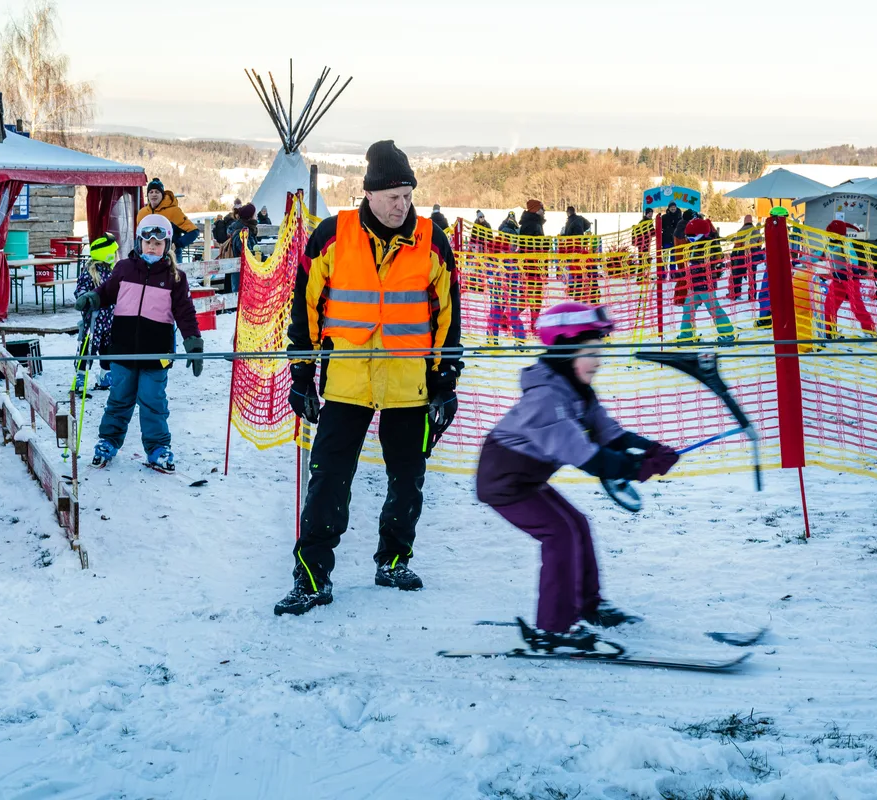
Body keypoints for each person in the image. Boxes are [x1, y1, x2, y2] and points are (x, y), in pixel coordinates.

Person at [278, 139, 463, 616]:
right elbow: (306, 308)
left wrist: (446, 382)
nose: (403, 205)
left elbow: (447, 316)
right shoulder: (333, 235)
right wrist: (301, 373)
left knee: (408, 480)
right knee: (329, 481)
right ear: (371, 195)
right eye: (394, 197)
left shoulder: (431, 239)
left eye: (408, 195)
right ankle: (312, 578)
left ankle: (394, 560)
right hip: (346, 382)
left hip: (409, 384)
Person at [475, 302, 679, 651]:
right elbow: (584, 454)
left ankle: (589, 605)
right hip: (503, 481)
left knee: (577, 524)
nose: (599, 361)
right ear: (566, 350)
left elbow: (608, 433)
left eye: (600, 351)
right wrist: (634, 468)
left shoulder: (575, 390)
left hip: (527, 479)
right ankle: (554, 629)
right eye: (592, 352)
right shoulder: (546, 397)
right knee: (559, 534)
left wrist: (651, 450)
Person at [75, 215, 204, 472]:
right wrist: (92, 298)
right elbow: (107, 292)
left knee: (152, 400)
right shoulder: (124, 269)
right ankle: (108, 442)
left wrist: (193, 342)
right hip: (122, 349)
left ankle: (157, 448)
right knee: (119, 398)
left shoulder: (174, 277)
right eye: (147, 242)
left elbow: (185, 312)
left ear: (167, 245)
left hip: (157, 353)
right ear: (138, 242)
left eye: (158, 243)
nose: (152, 247)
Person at [675, 218, 735, 343]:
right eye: (688, 237)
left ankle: (727, 334)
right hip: (694, 284)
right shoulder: (694, 245)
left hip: (706, 284)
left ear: (702, 234)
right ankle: (687, 336)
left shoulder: (710, 245)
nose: (690, 240)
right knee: (688, 310)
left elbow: (712, 261)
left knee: (714, 309)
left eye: (692, 237)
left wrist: (695, 269)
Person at [74, 234, 120, 393]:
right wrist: (86, 300)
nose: (115, 256)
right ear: (106, 254)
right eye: (113, 253)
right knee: (88, 349)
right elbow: (79, 293)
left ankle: (105, 376)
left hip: (109, 320)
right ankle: (80, 378)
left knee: (107, 349)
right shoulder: (89, 273)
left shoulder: (113, 272)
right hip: (93, 321)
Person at [822, 214, 876, 339]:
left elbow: (854, 259)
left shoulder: (846, 245)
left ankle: (870, 331)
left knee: (856, 307)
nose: (828, 236)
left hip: (850, 280)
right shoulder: (829, 244)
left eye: (830, 234)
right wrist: (797, 261)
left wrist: (850, 266)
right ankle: (829, 331)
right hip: (837, 280)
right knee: (829, 305)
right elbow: (819, 255)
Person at [136, 178, 200, 262]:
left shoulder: (174, 211)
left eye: (157, 192)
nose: (154, 195)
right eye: (151, 192)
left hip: (170, 257)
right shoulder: (142, 213)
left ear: (162, 194)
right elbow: (138, 236)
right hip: (147, 256)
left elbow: (194, 232)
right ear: (147, 195)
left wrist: (177, 244)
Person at [518, 200, 549, 327]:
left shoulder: (533, 223)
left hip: (534, 265)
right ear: (536, 210)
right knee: (532, 294)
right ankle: (509, 315)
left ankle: (533, 322)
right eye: (542, 209)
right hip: (531, 265)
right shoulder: (532, 224)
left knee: (534, 294)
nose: (544, 211)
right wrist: (545, 244)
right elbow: (531, 245)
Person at [223, 203, 259, 292]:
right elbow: (247, 253)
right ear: (250, 216)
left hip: (243, 272)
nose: (256, 216)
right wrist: (261, 256)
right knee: (240, 297)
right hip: (241, 273)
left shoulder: (248, 229)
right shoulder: (242, 232)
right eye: (255, 214)